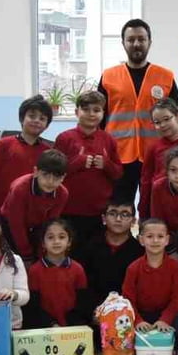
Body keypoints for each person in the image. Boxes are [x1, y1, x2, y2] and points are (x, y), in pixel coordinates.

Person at [98, 18, 178, 203]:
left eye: (141, 39)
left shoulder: (165, 76)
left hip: (156, 154)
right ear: (123, 43)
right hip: (119, 155)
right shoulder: (109, 76)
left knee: (154, 205)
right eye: (131, 40)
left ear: (149, 42)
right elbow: (99, 118)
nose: (136, 44)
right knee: (119, 206)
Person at [56, 89, 123, 247]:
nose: (91, 114)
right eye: (86, 109)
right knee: (71, 251)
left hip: (99, 211)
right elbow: (55, 173)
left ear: (103, 113)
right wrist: (77, 163)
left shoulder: (109, 140)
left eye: (96, 110)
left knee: (95, 253)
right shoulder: (64, 138)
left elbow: (118, 173)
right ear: (76, 111)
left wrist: (106, 164)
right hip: (69, 209)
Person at [0, 95, 55, 215]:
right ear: (22, 119)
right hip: (1, 210)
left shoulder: (47, 151)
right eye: (32, 116)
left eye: (42, 118)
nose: (37, 121)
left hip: (31, 213)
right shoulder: (5, 144)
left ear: (47, 125)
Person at [139, 98, 178, 218]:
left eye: (166, 119)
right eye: (157, 122)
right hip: (160, 206)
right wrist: (143, 214)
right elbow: (146, 181)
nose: (162, 125)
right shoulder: (153, 147)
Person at [1, 149, 69, 261]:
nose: (50, 181)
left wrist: (41, 252)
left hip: (37, 226)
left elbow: (50, 224)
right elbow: (16, 224)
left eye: (56, 177)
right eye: (46, 175)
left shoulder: (62, 194)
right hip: (10, 224)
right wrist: (26, 253)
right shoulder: (20, 189)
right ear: (36, 171)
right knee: (14, 261)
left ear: (63, 177)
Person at [73, 197, 144, 304]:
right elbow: (82, 286)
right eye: (112, 213)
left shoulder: (140, 252)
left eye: (125, 214)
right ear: (104, 219)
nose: (118, 219)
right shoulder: (89, 247)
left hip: (127, 310)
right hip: (91, 310)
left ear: (133, 221)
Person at [122, 218, 178, 335]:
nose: (155, 240)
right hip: (141, 315)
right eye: (150, 236)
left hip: (167, 314)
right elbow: (128, 299)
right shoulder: (133, 268)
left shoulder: (176, 268)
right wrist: (138, 321)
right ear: (141, 240)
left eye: (160, 236)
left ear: (167, 240)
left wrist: (165, 319)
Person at [24, 219, 91, 327]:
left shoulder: (77, 269)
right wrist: (51, 323)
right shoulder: (35, 270)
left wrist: (70, 322)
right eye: (50, 237)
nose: (56, 241)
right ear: (43, 243)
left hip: (72, 327)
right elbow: (33, 306)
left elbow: (82, 302)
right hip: (44, 328)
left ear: (69, 242)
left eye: (61, 237)